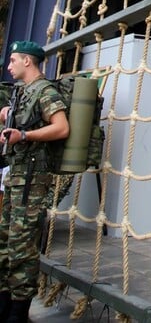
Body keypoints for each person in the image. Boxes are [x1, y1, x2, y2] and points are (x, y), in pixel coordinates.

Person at [0, 41, 69, 323]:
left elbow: (62, 127)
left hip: (32, 182)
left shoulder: (44, 91)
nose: (9, 65)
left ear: (28, 61)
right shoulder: (22, 93)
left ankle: (18, 314)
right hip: (15, 179)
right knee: (5, 245)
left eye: (13, 60)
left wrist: (25, 137)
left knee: (22, 250)